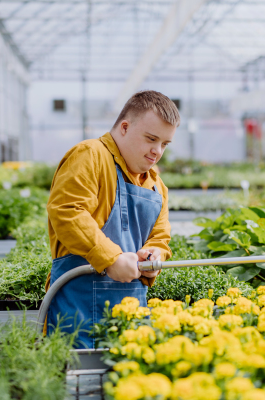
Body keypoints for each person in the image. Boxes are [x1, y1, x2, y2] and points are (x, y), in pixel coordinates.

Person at [45, 90, 179, 348]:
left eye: (164, 144)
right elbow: (67, 210)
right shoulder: (90, 155)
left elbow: (160, 235)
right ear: (125, 127)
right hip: (77, 311)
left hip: (132, 315)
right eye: (151, 139)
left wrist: (155, 254)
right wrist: (111, 259)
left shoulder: (155, 184)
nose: (157, 151)